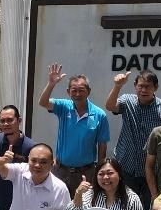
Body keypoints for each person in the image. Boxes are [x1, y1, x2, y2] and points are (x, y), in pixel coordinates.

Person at [105, 71, 161, 210]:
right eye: (140, 86)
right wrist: (117, 86)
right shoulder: (128, 101)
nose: (143, 90)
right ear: (135, 87)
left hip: (150, 171)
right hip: (126, 165)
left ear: (155, 88)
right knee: (125, 207)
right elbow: (110, 106)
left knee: (148, 209)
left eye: (148, 86)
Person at [38, 63, 110, 192]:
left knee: (82, 209)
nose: (77, 94)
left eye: (81, 90)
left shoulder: (99, 115)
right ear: (68, 92)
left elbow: (102, 147)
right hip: (60, 171)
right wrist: (51, 84)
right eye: (74, 90)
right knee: (57, 209)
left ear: (88, 91)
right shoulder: (64, 107)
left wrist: (100, 171)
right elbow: (43, 102)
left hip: (86, 173)